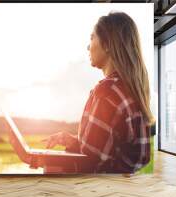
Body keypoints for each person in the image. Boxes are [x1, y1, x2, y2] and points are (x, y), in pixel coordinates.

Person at [43, 11, 155, 174]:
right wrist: (73, 141)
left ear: (108, 44)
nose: (88, 46)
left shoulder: (107, 92)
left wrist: (49, 162)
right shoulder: (132, 89)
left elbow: (91, 163)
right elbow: (109, 153)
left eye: (92, 38)